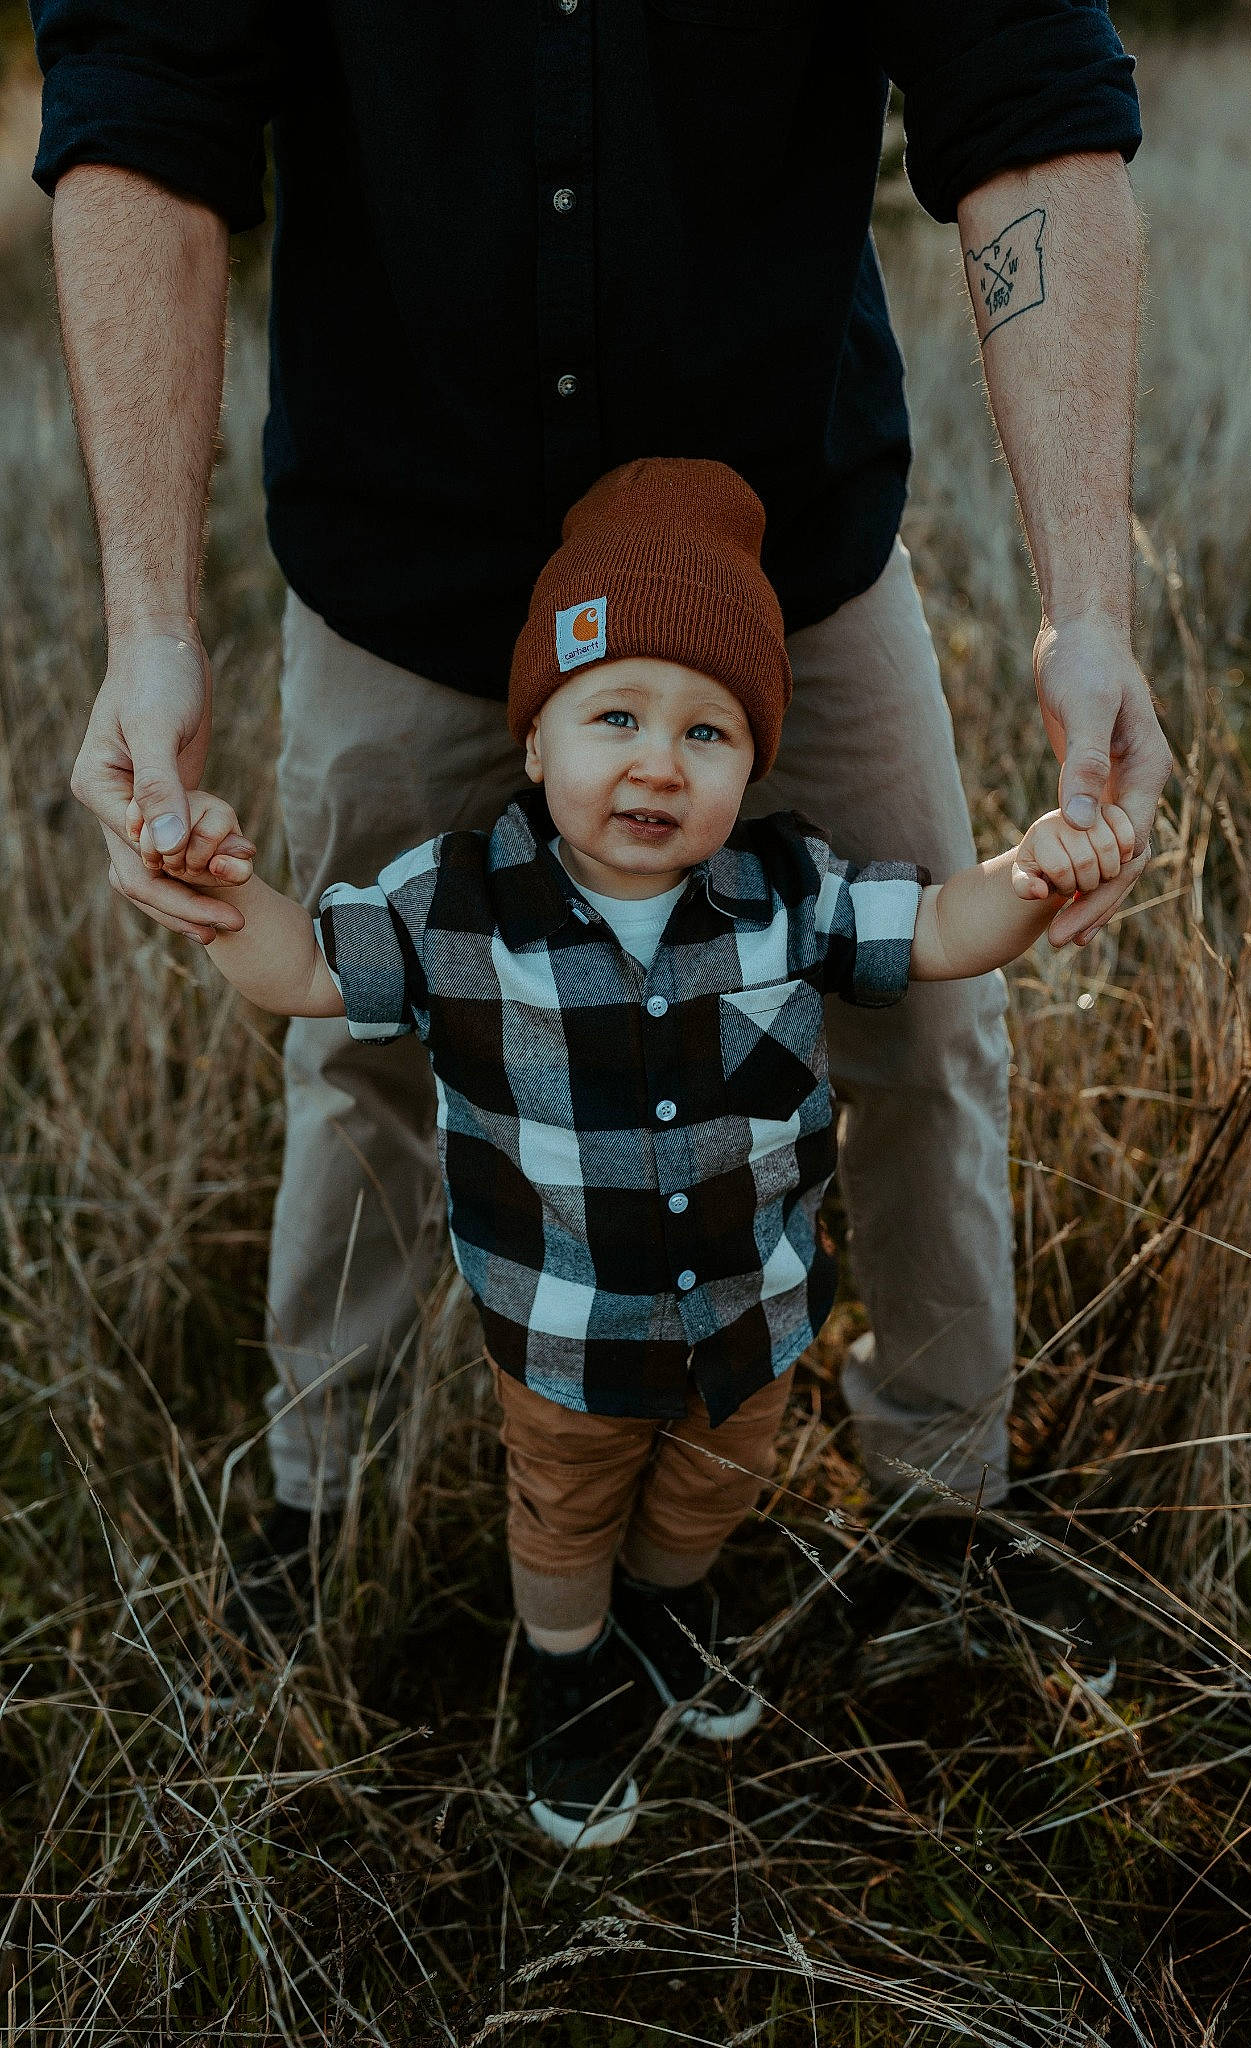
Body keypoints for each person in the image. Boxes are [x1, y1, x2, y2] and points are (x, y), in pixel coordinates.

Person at [30, 4, 1171, 1636]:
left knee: (931, 1032)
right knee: (360, 1055)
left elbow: (1031, 102)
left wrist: (1089, 611)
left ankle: (942, 1496)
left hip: (784, 582)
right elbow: (142, 102)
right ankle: (321, 1498)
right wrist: (150, 622)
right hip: (403, 561)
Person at [133, 457, 1143, 1846]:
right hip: (562, 1336)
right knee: (560, 1515)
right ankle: (568, 1674)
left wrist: (1027, 882)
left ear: (753, 764)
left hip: (750, 1317)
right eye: (613, 716)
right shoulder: (457, 906)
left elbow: (938, 937)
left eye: (707, 733)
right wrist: (218, 888)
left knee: (706, 1495)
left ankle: (668, 1614)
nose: (658, 762)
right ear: (535, 744)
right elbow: (305, 970)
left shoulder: (788, 893)